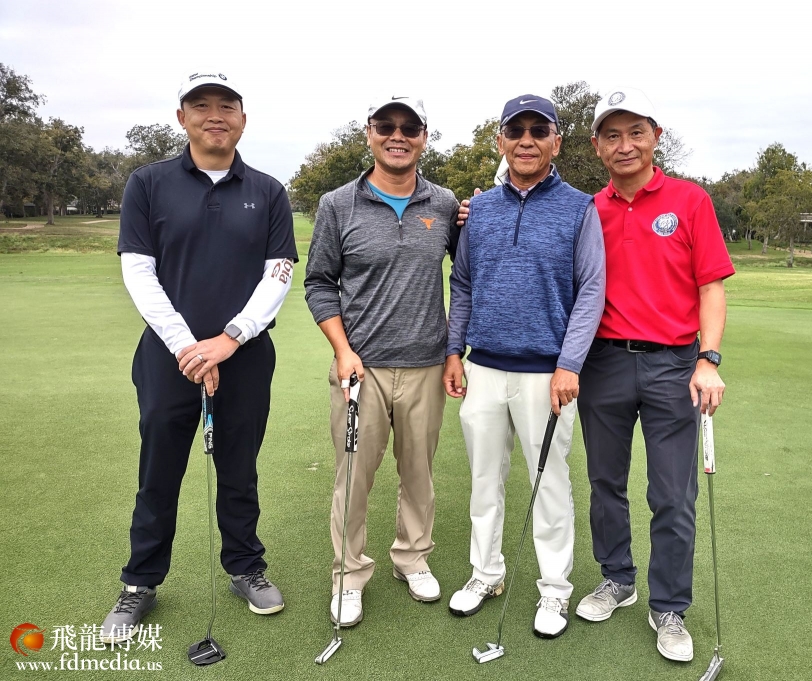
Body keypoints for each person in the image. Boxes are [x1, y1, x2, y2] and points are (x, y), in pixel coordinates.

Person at [100, 71, 298, 642]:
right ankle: (140, 582)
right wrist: (187, 345)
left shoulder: (268, 190)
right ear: (182, 117)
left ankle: (245, 567)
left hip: (245, 354)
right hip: (169, 357)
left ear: (243, 119)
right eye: (202, 105)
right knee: (158, 471)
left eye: (227, 106)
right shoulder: (148, 182)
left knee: (239, 467)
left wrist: (229, 338)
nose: (215, 115)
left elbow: (279, 272)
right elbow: (138, 270)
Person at [574, 87, 734, 662]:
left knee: (672, 494)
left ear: (656, 137)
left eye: (636, 132)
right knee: (604, 484)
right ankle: (617, 578)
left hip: (674, 364)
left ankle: (668, 606)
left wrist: (708, 358)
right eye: (612, 135)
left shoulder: (690, 201)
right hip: (604, 362)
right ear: (597, 146)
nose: (625, 145)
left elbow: (711, 286)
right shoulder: (586, 210)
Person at [444, 94, 606, 639]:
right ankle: (485, 573)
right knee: (484, 480)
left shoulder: (580, 208)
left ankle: (554, 589)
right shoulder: (480, 209)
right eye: (516, 131)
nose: (527, 141)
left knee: (549, 483)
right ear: (501, 141)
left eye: (539, 131)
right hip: (485, 367)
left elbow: (591, 291)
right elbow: (463, 283)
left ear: (556, 142)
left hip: (548, 373)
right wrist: (453, 351)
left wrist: (570, 364)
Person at [304, 96, 460, 627]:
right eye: (386, 126)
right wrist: (342, 350)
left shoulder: (444, 203)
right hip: (360, 368)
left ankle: (411, 558)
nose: (398, 136)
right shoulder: (337, 204)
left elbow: (468, 270)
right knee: (353, 476)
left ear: (423, 137)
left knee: (418, 473)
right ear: (369, 133)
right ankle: (348, 574)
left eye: (409, 127)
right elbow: (319, 283)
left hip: (425, 364)